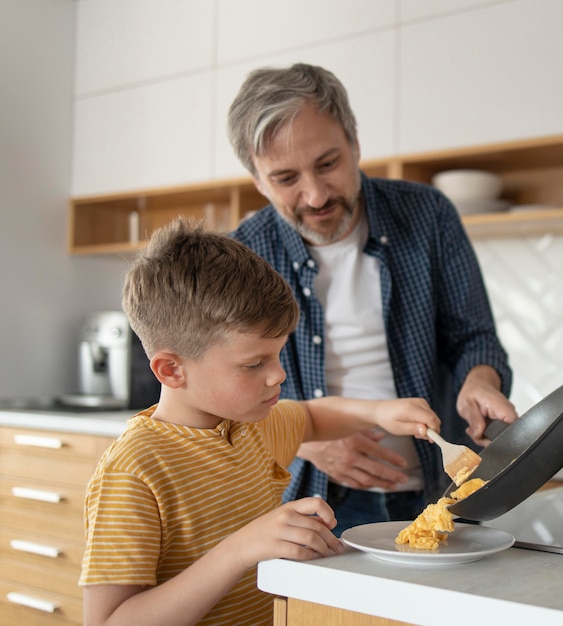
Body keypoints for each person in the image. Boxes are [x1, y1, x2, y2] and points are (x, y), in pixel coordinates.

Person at [79, 218, 442, 626]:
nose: (278, 375)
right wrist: (240, 549)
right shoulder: (134, 470)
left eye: (277, 355)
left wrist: (378, 412)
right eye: (254, 363)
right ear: (171, 370)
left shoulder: (251, 425)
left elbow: (310, 417)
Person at [229, 62, 518, 535]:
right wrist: (305, 440)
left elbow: (474, 338)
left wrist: (479, 382)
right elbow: (225, 400)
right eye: (285, 179)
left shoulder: (428, 215)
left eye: (328, 164)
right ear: (257, 180)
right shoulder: (242, 255)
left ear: (355, 143)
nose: (316, 194)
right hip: (312, 503)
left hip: (439, 492)